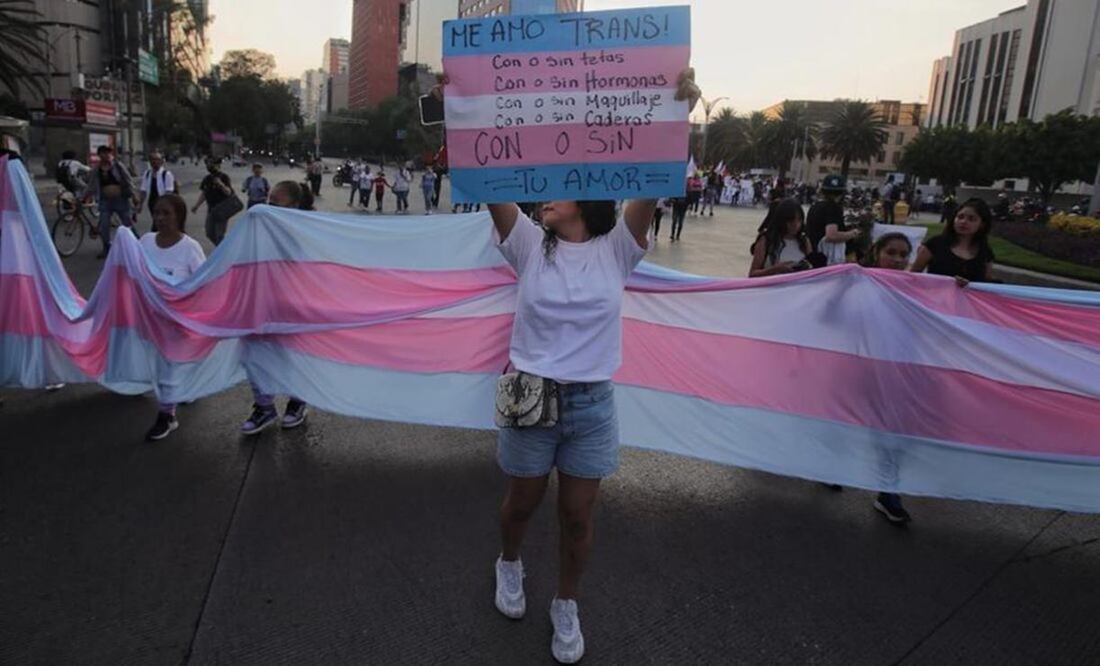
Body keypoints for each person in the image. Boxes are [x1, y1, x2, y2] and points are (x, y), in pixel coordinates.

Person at [239, 180, 315, 435]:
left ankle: (297, 401)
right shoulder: (258, 229)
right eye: (267, 202)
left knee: (294, 356)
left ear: (294, 206)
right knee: (253, 354)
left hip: (294, 306)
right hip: (262, 303)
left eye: (274, 203)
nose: (267, 208)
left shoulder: (308, 232)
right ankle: (264, 407)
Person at [857, 232, 917, 523]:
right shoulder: (858, 281)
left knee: (891, 431)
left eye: (903, 254)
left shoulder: (916, 288)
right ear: (876, 252)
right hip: (857, 367)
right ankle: (828, 470)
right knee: (843, 423)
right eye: (891, 252)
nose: (897, 259)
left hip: (895, 370)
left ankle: (888, 491)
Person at [141, 194, 207, 441]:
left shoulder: (190, 248)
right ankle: (184, 388)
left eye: (166, 213)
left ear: (179, 216)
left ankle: (167, 416)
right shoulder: (145, 241)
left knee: (169, 365)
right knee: (162, 366)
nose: (160, 218)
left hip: (178, 322)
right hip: (150, 319)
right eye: (156, 212)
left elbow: (203, 284)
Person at [910, 197, 994, 285]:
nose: (963, 222)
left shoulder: (985, 252)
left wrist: (968, 285)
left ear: (982, 225)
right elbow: (912, 277)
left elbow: (986, 284)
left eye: (971, 219)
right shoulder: (935, 244)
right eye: (960, 217)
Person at [84, 145, 137, 259]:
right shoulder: (97, 169)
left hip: (120, 200)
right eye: (104, 153)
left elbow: (128, 180)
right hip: (105, 201)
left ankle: (137, 245)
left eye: (108, 153)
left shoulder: (118, 166)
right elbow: (91, 186)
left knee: (127, 223)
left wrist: (133, 195)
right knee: (104, 225)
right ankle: (106, 248)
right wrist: (84, 197)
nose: (107, 155)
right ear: (99, 155)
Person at [749, 198, 812, 277]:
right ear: (782, 220)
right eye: (791, 221)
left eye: (799, 220)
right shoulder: (766, 240)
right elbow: (752, 274)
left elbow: (812, 270)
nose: (796, 225)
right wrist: (775, 269)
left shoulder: (804, 241)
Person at [805, 175, 861, 264]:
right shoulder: (834, 208)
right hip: (827, 260)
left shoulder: (814, 206)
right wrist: (852, 234)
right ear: (842, 193)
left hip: (814, 256)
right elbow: (831, 235)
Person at [191, 157, 235, 246]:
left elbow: (229, 192)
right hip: (211, 209)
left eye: (212, 164)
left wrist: (221, 184)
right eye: (208, 164)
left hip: (222, 210)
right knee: (209, 233)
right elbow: (204, 193)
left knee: (219, 235)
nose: (209, 166)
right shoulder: (207, 179)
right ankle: (223, 248)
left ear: (218, 165)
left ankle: (221, 253)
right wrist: (196, 205)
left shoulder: (224, 177)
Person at [137, 151, 177, 231]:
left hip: (162, 202)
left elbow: (169, 191)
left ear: (161, 161)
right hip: (151, 202)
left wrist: (164, 204)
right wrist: (140, 204)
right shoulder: (147, 173)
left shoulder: (166, 174)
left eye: (157, 159)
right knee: (157, 222)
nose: (154, 162)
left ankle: (159, 236)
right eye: (152, 160)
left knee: (158, 223)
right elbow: (143, 190)